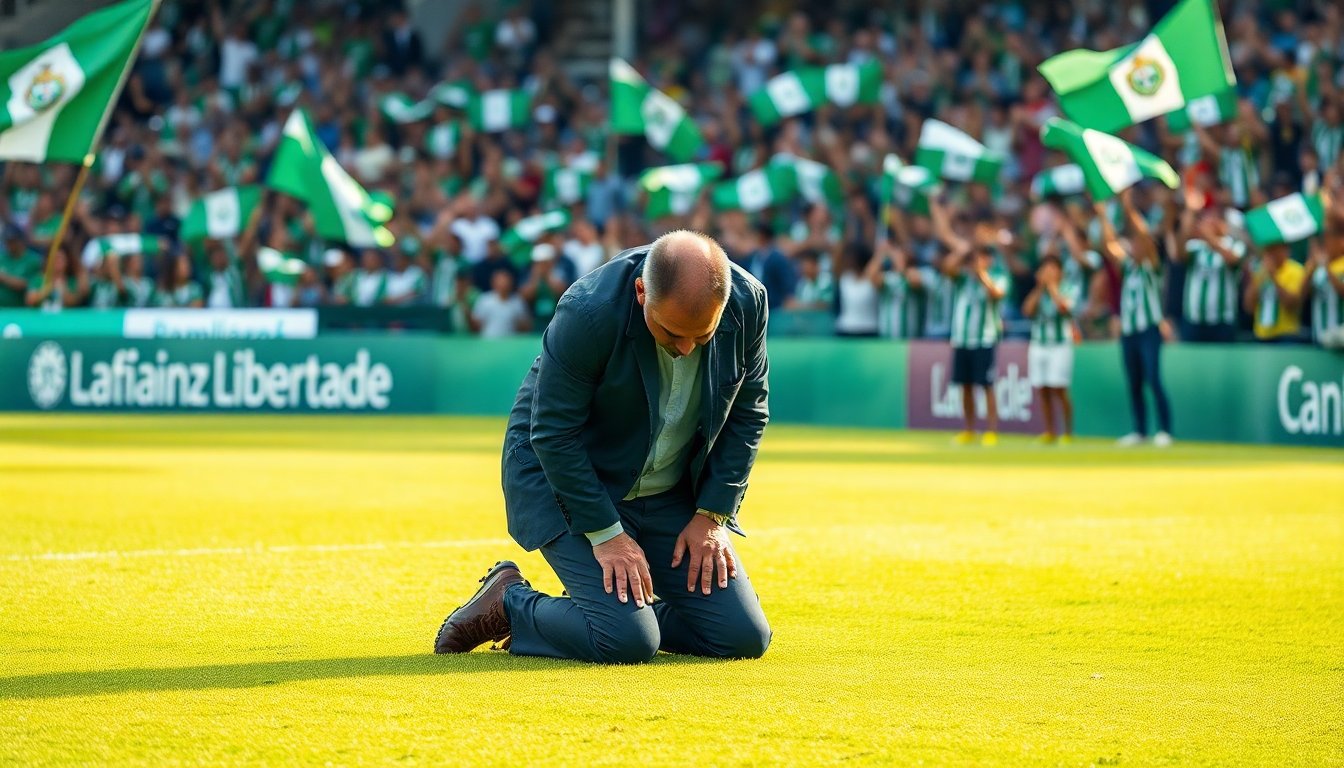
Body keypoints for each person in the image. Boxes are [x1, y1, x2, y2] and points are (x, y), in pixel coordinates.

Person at [434, 230, 771, 664]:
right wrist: (608, 536)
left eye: (702, 337)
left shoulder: (748, 303)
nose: (687, 349)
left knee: (742, 637)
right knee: (628, 642)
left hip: (667, 491)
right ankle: (509, 603)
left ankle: (611, 613)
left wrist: (711, 515)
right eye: (672, 333)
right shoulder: (588, 311)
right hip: (566, 480)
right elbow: (553, 433)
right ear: (641, 291)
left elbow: (748, 413)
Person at [1096, 192, 1174, 447]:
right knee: (1134, 382)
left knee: (1154, 378)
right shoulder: (1128, 267)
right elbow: (1109, 246)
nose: (1135, 247)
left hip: (1149, 329)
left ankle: (1164, 430)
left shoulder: (1151, 266)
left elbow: (1145, 238)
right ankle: (1139, 430)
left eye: (1139, 244)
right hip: (1129, 331)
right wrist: (1102, 215)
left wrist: (1128, 206)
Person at [933, 201, 1009, 447]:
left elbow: (997, 294)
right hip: (962, 337)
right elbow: (947, 268)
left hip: (984, 337)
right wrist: (963, 252)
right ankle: (968, 428)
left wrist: (982, 273)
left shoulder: (997, 275)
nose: (979, 261)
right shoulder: (963, 278)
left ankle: (992, 430)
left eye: (983, 257)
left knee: (986, 385)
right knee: (964, 385)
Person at [1023, 254, 1079, 445]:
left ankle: (1068, 432)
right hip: (1039, 344)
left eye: (1052, 269)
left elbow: (1065, 309)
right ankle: (1050, 431)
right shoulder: (1039, 292)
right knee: (1043, 389)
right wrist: (1040, 288)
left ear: (1059, 272)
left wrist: (1052, 287)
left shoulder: (1068, 288)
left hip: (1060, 344)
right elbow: (1027, 311)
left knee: (1059, 388)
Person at [1174, 197, 1245, 343]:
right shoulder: (1196, 246)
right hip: (1194, 319)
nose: (1209, 222)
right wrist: (1187, 219)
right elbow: (1179, 254)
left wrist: (1210, 238)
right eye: (1207, 218)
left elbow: (1233, 260)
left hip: (1223, 321)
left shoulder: (1233, 245)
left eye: (1214, 218)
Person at [1244, 240, 1307, 343]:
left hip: (1286, 336)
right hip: (1261, 335)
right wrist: (1260, 278)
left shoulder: (1296, 270)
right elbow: (1249, 307)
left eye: (1274, 249)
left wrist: (1274, 277)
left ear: (1285, 250)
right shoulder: (1260, 270)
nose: (1270, 254)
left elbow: (1291, 304)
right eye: (1267, 250)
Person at [469, 267, 532, 338]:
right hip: (488, 342)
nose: (503, 283)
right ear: (493, 283)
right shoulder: (484, 300)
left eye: (506, 280)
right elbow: (476, 324)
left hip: (510, 342)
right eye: (500, 280)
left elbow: (525, 326)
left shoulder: (518, 302)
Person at [1306, 235, 1344, 347]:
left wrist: (1327, 266)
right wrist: (1311, 269)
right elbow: (1303, 296)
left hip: (1339, 338)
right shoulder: (1317, 268)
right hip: (1317, 334)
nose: (1326, 246)